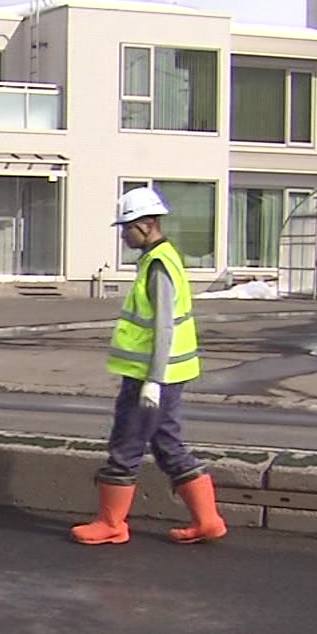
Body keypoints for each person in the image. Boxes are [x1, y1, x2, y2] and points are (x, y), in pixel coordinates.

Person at [71, 187, 227, 546]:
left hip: (152, 377)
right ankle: (208, 521)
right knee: (168, 443)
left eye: (127, 227)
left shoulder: (158, 265)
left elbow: (164, 326)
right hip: (167, 374)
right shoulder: (163, 258)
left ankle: (111, 523)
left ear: (146, 224)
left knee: (125, 444)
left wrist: (152, 381)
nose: (124, 234)